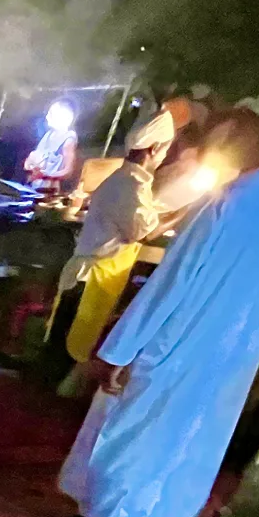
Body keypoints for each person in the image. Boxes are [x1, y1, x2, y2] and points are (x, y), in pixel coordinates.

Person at [48, 77, 259, 517]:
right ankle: (164, 513)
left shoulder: (231, 198)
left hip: (182, 335)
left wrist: (122, 349)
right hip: (239, 341)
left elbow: (174, 282)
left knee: (137, 423)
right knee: (194, 432)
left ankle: (104, 516)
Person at [52, 108, 175, 373]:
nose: (165, 156)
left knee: (66, 350)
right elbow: (144, 232)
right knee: (70, 354)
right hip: (91, 278)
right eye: (164, 149)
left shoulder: (128, 181)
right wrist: (184, 214)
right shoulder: (131, 185)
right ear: (153, 149)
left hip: (93, 276)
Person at [24, 100, 80, 195]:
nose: (47, 117)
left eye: (51, 114)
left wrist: (46, 175)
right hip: (34, 187)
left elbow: (68, 171)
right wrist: (29, 165)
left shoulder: (68, 139)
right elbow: (35, 157)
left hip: (49, 193)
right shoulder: (48, 135)